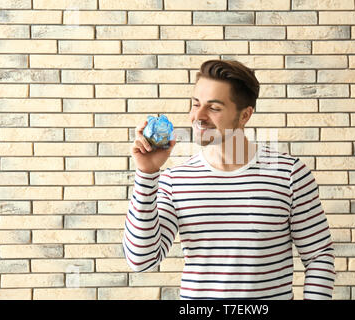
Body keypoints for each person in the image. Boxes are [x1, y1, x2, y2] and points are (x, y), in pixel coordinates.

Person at [123, 59, 336, 300]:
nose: (198, 117)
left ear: (245, 115)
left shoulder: (289, 175)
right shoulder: (175, 180)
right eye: (195, 104)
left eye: (213, 108)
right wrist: (147, 174)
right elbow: (141, 260)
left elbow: (319, 257)